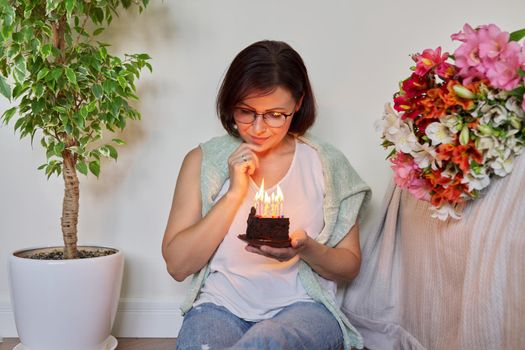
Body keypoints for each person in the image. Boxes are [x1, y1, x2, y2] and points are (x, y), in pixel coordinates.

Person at [162, 40, 371, 350]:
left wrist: (305, 249)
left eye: (275, 114)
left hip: (304, 310)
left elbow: (349, 266)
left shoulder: (326, 164)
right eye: (246, 112)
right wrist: (234, 194)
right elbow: (178, 266)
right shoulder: (202, 161)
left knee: (266, 341)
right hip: (219, 308)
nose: (258, 128)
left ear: (298, 105)